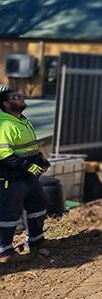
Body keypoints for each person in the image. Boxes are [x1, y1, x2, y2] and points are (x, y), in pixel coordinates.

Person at [0, 86, 50, 262]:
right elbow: (4, 154)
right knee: (8, 214)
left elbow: (30, 147)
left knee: (38, 205)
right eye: (15, 97)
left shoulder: (22, 120)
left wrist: (41, 161)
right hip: (11, 179)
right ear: (5, 104)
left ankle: (36, 240)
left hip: (28, 177)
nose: (21, 99)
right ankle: (4, 252)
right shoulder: (4, 124)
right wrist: (27, 166)